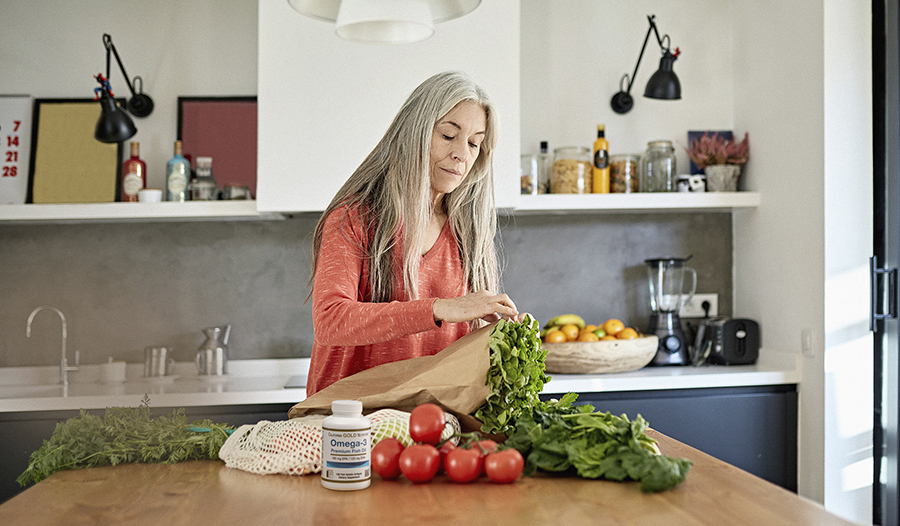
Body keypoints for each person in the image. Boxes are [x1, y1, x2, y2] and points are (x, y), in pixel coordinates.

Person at [306, 71, 521, 396]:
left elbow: (465, 341)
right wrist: (438, 308)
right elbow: (330, 320)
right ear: (415, 132)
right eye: (449, 135)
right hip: (351, 420)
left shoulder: (469, 233)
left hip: (433, 422)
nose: (462, 154)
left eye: (474, 143)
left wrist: (496, 330)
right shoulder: (354, 217)